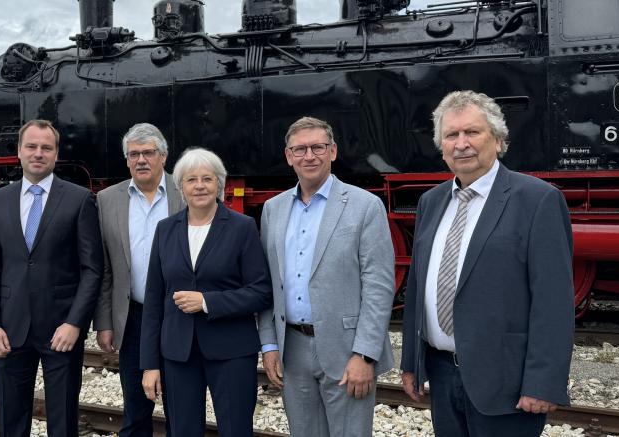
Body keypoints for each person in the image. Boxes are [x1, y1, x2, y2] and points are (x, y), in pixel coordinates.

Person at [400, 90, 574, 437]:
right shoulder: (431, 202)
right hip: (442, 374)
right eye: (451, 135)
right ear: (442, 146)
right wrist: (412, 363)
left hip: (506, 382)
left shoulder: (537, 200)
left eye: (472, 132)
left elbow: (553, 301)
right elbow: (418, 286)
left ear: (497, 139)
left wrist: (542, 382)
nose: (461, 143)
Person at [258, 116, 395, 436]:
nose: (309, 156)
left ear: (332, 151)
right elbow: (268, 283)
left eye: (317, 147)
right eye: (300, 149)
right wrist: (268, 344)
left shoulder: (365, 205)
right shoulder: (272, 209)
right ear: (288, 156)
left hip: (348, 349)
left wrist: (365, 353)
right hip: (291, 347)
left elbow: (379, 284)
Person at [0, 119, 104, 437]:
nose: (38, 153)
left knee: (63, 421)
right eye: (31, 146)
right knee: (11, 420)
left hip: (61, 329)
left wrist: (75, 323)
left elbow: (92, 269)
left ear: (56, 153)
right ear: (19, 152)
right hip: (9, 328)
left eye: (46, 148)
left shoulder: (78, 199)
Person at [140, 147, 273, 437]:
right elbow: (153, 303)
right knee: (183, 431)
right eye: (191, 180)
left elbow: (261, 292)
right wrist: (150, 365)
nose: (199, 186)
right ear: (181, 187)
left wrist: (208, 302)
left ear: (219, 185)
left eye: (207, 179)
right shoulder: (165, 230)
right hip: (178, 353)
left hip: (232, 351)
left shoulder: (242, 227)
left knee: (236, 430)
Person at [93, 123, 183, 436]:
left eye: (148, 153)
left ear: (163, 156)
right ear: (127, 159)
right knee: (135, 406)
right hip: (132, 317)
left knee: (181, 406)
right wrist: (104, 322)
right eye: (134, 154)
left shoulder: (186, 192)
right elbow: (104, 268)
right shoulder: (107, 200)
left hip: (177, 315)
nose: (141, 160)